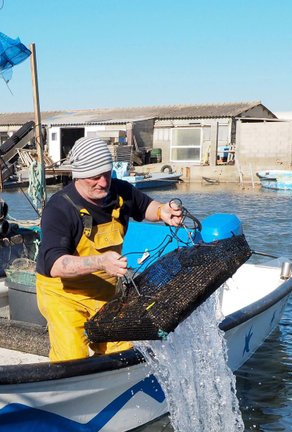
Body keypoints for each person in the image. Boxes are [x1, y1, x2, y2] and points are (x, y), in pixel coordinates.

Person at [35, 136, 184, 362]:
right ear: (78, 176)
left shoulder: (119, 191)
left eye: (106, 174)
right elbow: (55, 264)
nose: (103, 183)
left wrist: (162, 211)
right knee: (72, 359)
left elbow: (145, 207)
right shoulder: (59, 208)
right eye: (95, 177)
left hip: (105, 293)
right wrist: (100, 261)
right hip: (64, 296)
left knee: (123, 353)